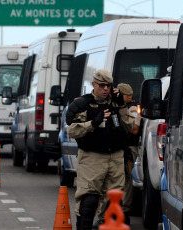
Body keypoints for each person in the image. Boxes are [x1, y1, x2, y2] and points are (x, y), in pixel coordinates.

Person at [66, 69, 135, 230]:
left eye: (108, 86)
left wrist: (121, 105)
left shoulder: (115, 103)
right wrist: (92, 123)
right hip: (92, 158)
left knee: (114, 202)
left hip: (115, 156)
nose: (106, 89)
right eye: (102, 85)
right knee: (89, 201)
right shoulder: (83, 104)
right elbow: (72, 131)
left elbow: (130, 125)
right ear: (94, 84)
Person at [94, 83, 141, 227]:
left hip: (128, 148)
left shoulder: (133, 108)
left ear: (127, 96)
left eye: (121, 95)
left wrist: (121, 123)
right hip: (119, 147)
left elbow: (134, 129)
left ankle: (123, 213)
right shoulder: (117, 106)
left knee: (124, 181)